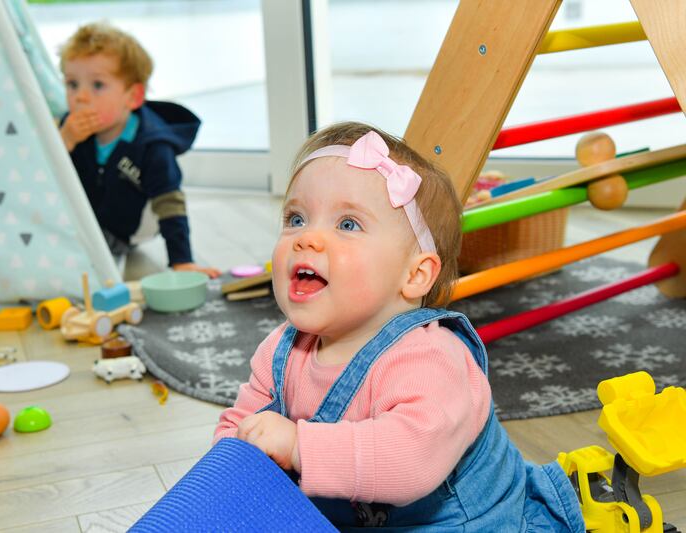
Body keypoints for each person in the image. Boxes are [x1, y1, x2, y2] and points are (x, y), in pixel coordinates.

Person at [213, 123, 585, 530]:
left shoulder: (430, 359)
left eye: (347, 224)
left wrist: (298, 445)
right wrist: (225, 472)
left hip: (468, 524)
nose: (308, 239)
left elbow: (411, 460)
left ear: (415, 276)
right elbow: (243, 421)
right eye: (296, 218)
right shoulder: (281, 350)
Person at [58, 23, 220, 278]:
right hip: (93, 215)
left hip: (134, 222)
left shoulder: (153, 145)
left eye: (97, 85)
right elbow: (46, 177)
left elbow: (170, 203)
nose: (81, 97)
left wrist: (181, 260)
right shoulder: (68, 128)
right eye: (72, 84)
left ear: (133, 97)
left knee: (85, 260)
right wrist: (64, 141)